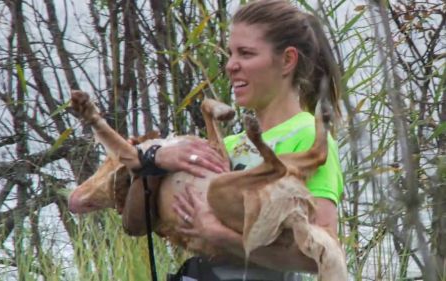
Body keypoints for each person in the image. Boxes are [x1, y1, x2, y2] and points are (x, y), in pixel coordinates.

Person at [133, 0, 344, 280]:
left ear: (287, 60)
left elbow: (321, 257)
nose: (231, 65)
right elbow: (135, 224)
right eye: (231, 53)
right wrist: (153, 161)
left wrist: (218, 235)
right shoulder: (229, 145)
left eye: (246, 53)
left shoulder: (308, 136)